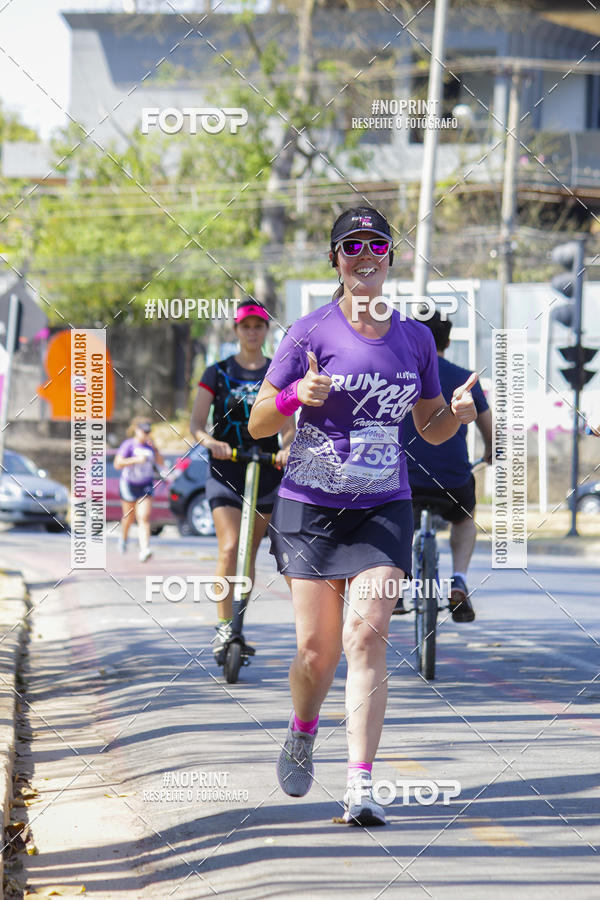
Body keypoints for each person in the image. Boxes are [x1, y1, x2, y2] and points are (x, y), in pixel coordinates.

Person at [248, 206, 478, 826]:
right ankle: (302, 727)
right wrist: (299, 396)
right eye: (352, 246)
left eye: (376, 244)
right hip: (311, 508)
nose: (365, 254)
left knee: (367, 634)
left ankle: (360, 786)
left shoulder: (415, 338)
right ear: (336, 259)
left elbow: (428, 428)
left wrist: (455, 413)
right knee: (317, 655)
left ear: (391, 256)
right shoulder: (308, 332)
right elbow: (258, 420)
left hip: (383, 504)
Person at [190, 299, 295, 662]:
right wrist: (213, 443)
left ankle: (238, 622)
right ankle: (223, 626)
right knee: (229, 546)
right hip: (227, 467)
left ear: (266, 331)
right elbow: (196, 426)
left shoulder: (278, 373)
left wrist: (286, 449)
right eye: (246, 326)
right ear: (236, 330)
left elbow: (287, 426)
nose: (252, 332)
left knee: (249, 551)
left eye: (258, 326)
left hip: (266, 467)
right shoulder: (216, 372)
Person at [402, 310, 492, 622]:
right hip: (452, 480)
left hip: (407, 480)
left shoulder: (399, 374)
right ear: (448, 341)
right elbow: (488, 430)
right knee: (465, 518)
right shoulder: (464, 378)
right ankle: (459, 578)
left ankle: (399, 579)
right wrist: (492, 452)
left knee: (396, 515)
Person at [115, 417, 164, 562]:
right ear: (137, 430)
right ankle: (123, 538)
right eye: (144, 431)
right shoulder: (129, 445)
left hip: (145, 484)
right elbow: (118, 463)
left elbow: (160, 463)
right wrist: (135, 460)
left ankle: (144, 549)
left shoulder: (150, 446)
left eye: (148, 431)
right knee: (129, 517)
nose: (146, 434)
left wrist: (155, 448)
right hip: (129, 484)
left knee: (144, 517)